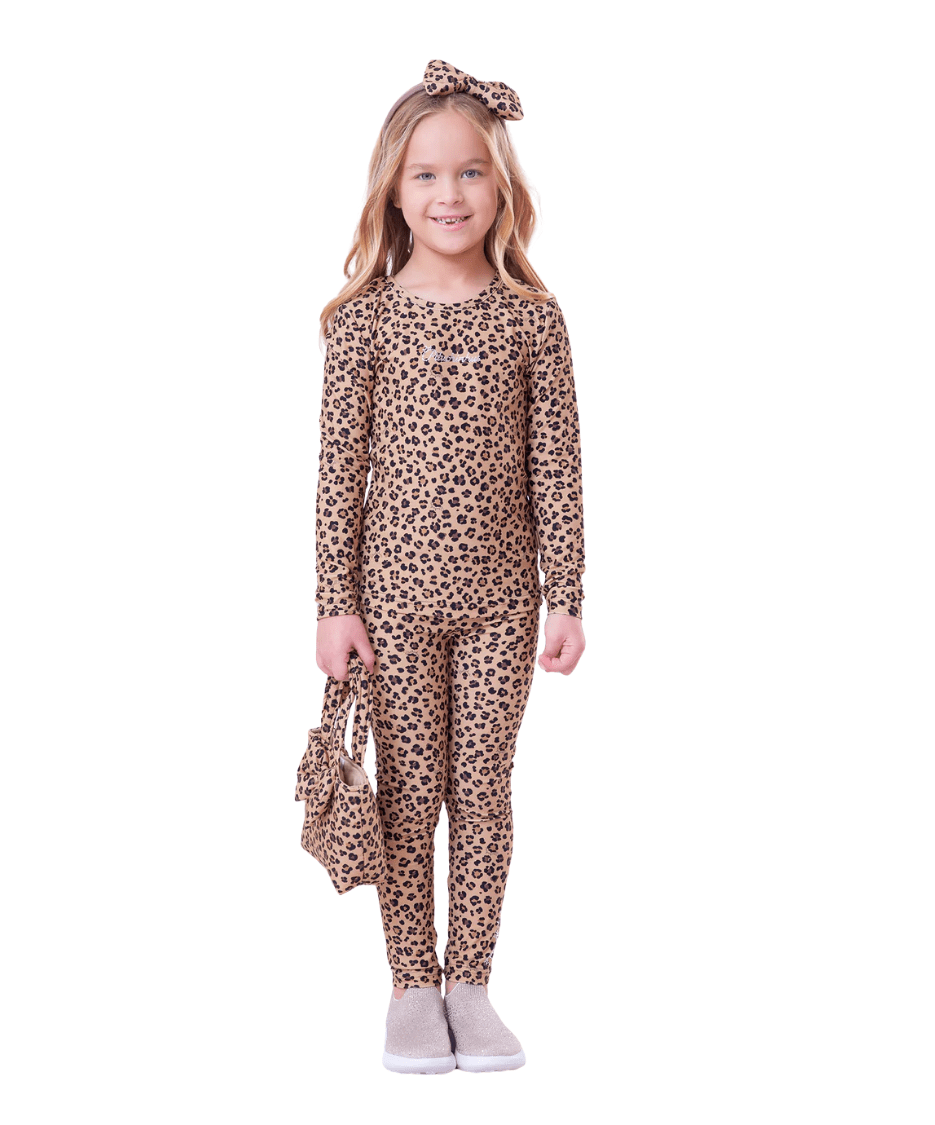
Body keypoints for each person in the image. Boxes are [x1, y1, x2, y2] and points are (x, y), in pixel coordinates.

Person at [312, 60, 586, 1075]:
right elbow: (338, 475)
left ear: (501, 187)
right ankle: (409, 986)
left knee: (482, 789)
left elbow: (557, 466)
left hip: (504, 605)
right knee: (406, 792)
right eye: (426, 175)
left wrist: (568, 596)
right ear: (394, 190)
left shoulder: (531, 318)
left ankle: (470, 980)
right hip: (390, 604)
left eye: (470, 172)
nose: (449, 194)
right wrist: (333, 604)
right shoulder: (363, 321)